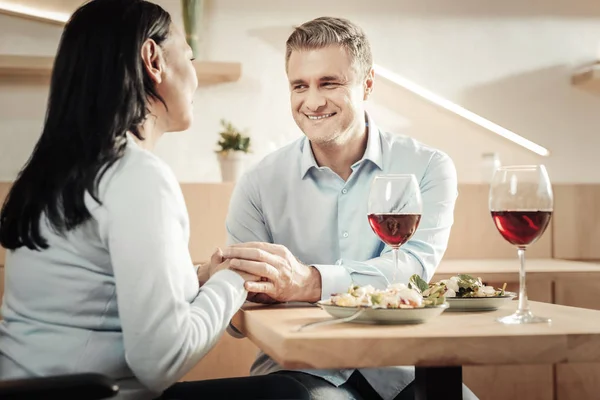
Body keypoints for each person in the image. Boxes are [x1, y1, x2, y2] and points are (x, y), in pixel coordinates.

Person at [0, 1, 310, 399]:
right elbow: (161, 361)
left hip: (30, 388)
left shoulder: (55, 172)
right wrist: (235, 279)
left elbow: (101, 291)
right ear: (153, 59)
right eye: (190, 57)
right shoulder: (135, 176)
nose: (194, 77)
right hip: (97, 393)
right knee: (290, 394)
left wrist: (200, 278)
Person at [221, 16, 477, 400]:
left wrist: (309, 282)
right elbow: (237, 311)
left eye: (329, 83)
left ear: (367, 84)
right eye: (299, 86)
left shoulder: (427, 166)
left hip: (403, 368)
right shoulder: (259, 183)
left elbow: (412, 272)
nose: (313, 101)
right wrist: (234, 284)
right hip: (301, 371)